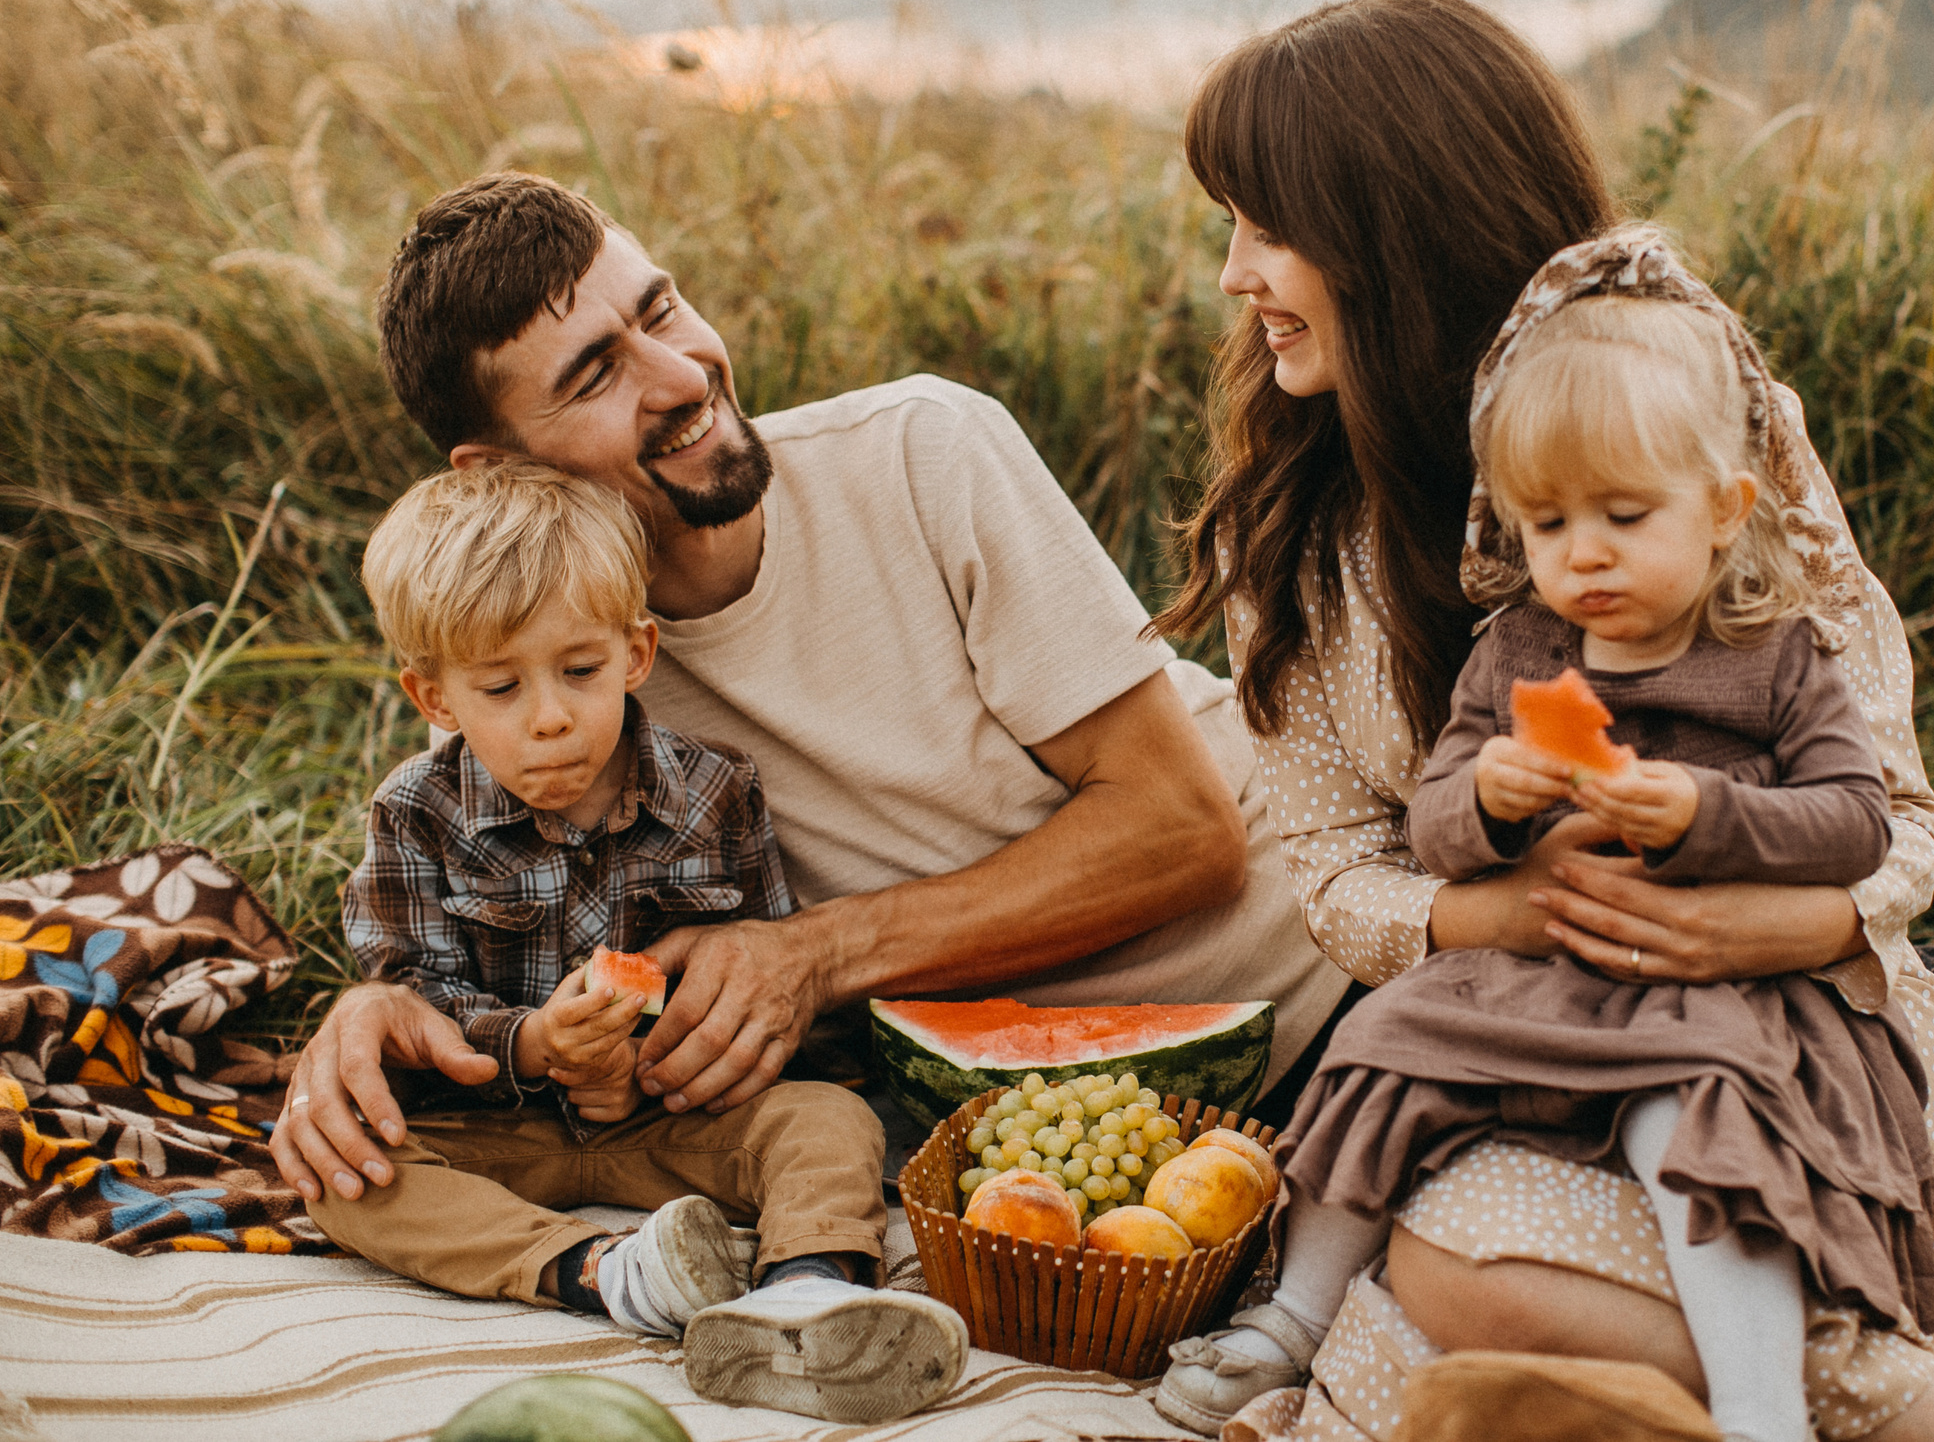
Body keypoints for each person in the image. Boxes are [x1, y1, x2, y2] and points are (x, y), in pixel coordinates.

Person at [1153, 0, 1934, 1441]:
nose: (1234, 275)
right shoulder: (1293, 535)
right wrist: (1506, 910)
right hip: (1512, 1037)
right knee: (1448, 1280)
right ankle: (1921, 1375)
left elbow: (1894, 812)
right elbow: (1340, 873)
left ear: (1393, 228)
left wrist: (1769, 921)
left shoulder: (1706, 425)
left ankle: (1900, 1370)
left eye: (1267, 228)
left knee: (1452, 1300)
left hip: (1788, 1031)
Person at [271, 172, 1350, 1209]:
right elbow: (467, 888)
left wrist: (811, 955)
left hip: (1326, 988)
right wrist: (375, 1006)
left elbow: (1182, 831)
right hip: (1036, 1135)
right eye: (596, 374)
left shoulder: (923, 453)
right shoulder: (551, 676)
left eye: (663, 309)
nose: (685, 375)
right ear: (494, 470)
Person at [1160, 294, 1934, 1442]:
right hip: (1535, 972)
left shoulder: (1775, 659)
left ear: (1724, 510)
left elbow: (1855, 825)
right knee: (1379, 1048)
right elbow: (1435, 826)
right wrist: (1489, 802)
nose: (1582, 555)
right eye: (1546, 526)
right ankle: (1292, 1314)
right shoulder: (1516, 652)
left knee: (1699, 1126)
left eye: (1624, 517)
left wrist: (1709, 813)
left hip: (1713, 995)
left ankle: (1760, 1406)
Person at [317, 459, 969, 1426]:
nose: (550, 715)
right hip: (508, 1127)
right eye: (500, 686)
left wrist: (654, 1062)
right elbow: (408, 993)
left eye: (580, 671)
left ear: (635, 651)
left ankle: (810, 1289)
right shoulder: (415, 811)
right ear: (437, 697)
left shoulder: (717, 791)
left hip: (675, 1122)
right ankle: (613, 1274)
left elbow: (767, 987)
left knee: (830, 1121)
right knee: (353, 1180)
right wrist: (534, 1046)